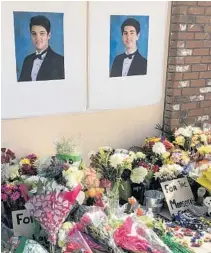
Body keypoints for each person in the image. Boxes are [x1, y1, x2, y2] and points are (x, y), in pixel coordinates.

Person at [19, 15, 65, 82]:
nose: (37, 38)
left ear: (49, 35)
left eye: (42, 33)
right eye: (34, 34)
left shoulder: (60, 61)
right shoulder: (27, 60)